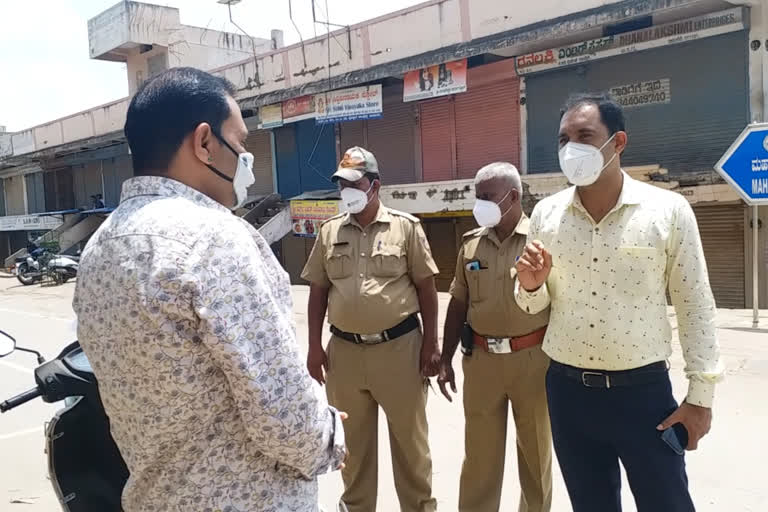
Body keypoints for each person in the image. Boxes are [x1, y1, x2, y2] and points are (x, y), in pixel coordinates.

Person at [72, 67, 346, 512]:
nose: (245, 158)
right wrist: (329, 434)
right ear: (204, 143)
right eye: (239, 144)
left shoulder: (101, 247)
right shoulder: (214, 238)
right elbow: (285, 416)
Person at [515, 93, 723, 512]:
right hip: (569, 393)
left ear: (618, 143)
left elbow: (695, 304)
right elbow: (530, 305)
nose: (571, 148)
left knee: (667, 504)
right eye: (563, 139)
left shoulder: (667, 211)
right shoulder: (546, 215)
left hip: (643, 395)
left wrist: (700, 398)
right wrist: (531, 286)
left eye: (585, 136)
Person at [302, 146, 440, 512]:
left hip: (400, 349)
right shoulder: (330, 232)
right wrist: (315, 348)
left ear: (374, 186)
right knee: (354, 449)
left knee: (411, 448)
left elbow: (427, 288)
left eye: (354, 183)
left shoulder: (406, 228)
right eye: (341, 184)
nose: (346, 191)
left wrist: (432, 345)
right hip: (344, 355)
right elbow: (318, 292)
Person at [438, 162, 552, 512]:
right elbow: (458, 303)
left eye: (486, 196)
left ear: (513, 196)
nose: (479, 204)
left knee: (535, 457)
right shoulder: (471, 245)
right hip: (482, 361)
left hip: (532, 361)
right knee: (480, 458)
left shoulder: (542, 239)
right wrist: (445, 359)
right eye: (477, 196)